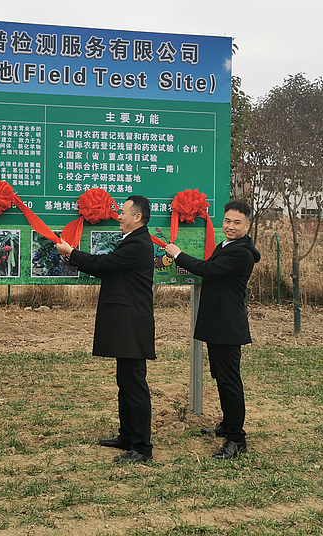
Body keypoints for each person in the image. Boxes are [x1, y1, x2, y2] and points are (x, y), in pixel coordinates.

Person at [56, 195, 156, 463]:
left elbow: (105, 264)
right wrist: (74, 256)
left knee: (134, 384)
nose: (119, 216)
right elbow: (108, 269)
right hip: (127, 322)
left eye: (123, 212)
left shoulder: (138, 243)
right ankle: (127, 436)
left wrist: (71, 253)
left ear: (137, 217)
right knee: (125, 382)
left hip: (132, 323)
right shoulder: (133, 240)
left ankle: (142, 447)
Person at [164, 201, 260, 460]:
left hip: (228, 325)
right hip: (218, 323)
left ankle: (237, 439)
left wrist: (178, 255)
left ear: (247, 225)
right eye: (227, 221)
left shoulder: (242, 253)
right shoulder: (227, 245)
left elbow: (208, 269)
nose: (230, 226)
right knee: (221, 377)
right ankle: (227, 425)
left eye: (237, 222)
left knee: (230, 382)